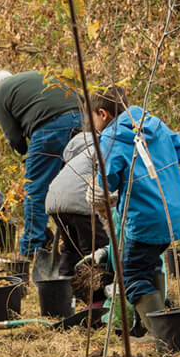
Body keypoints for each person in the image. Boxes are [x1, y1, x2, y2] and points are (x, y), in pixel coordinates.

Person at [93, 99, 180, 334]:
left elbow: (106, 181)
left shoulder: (112, 137)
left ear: (103, 114)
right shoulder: (153, 123)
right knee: (149, 263)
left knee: (132, 276)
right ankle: (144, 327)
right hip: (173, 211)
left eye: (92, 117)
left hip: (146, 217)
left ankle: (163, 336)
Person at [0, 70, 82, 260]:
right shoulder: (32, 77)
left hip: (49, 127)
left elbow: (14, 137)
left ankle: (31, 247)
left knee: (35, 188)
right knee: (74, 185)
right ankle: (78, 243)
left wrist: (25, 154)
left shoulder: (0, 93)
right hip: (82, 118)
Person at [46, 86, 124, 278]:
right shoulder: (109, 142)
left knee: (71, 250)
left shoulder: (80, 144)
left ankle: (63, 292)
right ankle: (95, 299)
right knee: (96, 250)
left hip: (54, 199)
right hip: (81, 202)